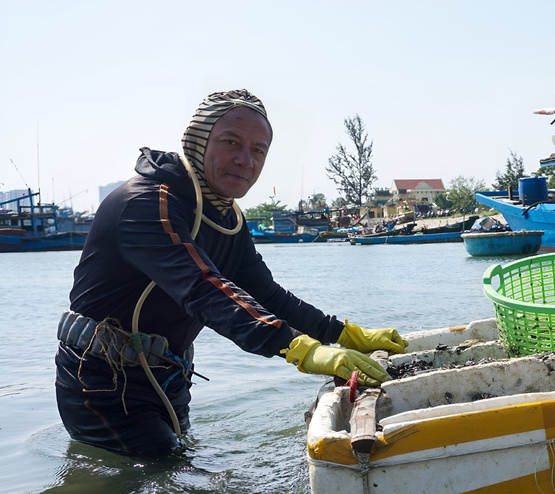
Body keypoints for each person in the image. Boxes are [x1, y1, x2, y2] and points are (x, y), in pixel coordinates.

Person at [55, 89, 407, 458]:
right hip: (100, 381)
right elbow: (202, 288)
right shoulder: (147, 203)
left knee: (182, 466)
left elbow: (266, 295)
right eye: (230, 142)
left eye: (258, 150)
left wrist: (342, 334)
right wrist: (296, 347)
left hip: (167, 376)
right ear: (198, 141)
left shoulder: (227, 217)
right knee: (169, 474)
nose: (245, 160)